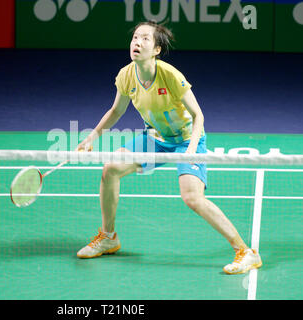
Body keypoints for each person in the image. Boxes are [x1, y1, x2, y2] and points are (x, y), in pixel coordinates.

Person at [76, 21, 262, 275]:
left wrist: (192, 149)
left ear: (157, 50)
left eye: (145, 39)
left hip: (187, 140)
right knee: (111, 169)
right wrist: (92, 137)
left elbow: (198, 116)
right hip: (156, 138)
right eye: (135, 38)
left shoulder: (170, 75)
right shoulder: (126, 75)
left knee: (192, 198)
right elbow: (117, 110)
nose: (137, 43)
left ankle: (245, 252)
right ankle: (108, 237)